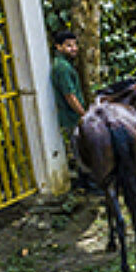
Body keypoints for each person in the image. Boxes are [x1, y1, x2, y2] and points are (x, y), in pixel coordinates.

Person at [50, 30, 87, 182]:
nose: (74, 48)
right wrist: (83, 115)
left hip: (72, 115)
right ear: (58, 47)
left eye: (74, 44)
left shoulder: (64, 65)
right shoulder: (62, 68)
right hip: (71, 117)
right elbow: (69, 95)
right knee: (80, 150)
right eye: (69, 45)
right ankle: (87, 182)